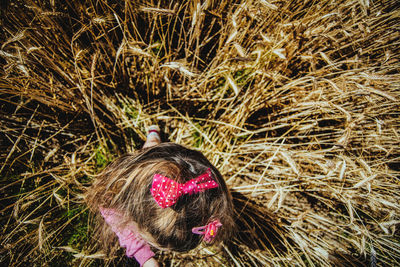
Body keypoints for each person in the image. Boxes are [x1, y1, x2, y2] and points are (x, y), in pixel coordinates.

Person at [85, 126, 235, 266]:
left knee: (156, 159)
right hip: (150, 165)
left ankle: (154, 139)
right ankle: (153, 137)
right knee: (152, 149)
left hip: (159, 162)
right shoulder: (115, 198)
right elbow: (119, 225)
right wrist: (142, 254)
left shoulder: (207, 190)